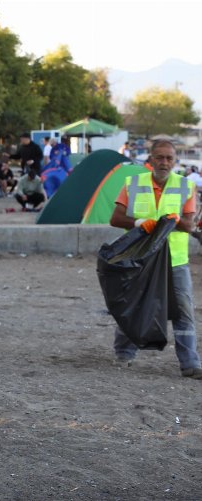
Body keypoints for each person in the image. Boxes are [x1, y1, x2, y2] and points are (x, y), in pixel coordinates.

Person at [109, 140, 202, 378]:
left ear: (175, 160)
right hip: (140, 258)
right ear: (150, 159)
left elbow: (190, 225)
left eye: (169, 158)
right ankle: (123, 354)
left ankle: (190, 364)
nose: (165, 162)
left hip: (175, 260)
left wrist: (177, 221)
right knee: (133, 306)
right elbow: (116, 219)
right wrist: (139, 223)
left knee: (183, 311)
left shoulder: (185, 186)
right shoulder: (132, 184)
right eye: (160, 157)